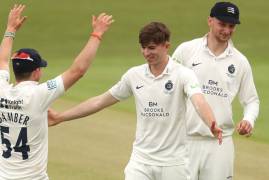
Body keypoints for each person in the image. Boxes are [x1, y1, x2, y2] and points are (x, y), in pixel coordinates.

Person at [48, 21, 222, 180]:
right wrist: (60, 117)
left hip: (174, 163)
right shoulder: (134, 75)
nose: (147, 53)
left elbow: (199, 101)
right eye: (144, 48)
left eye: (152, 48)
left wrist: (211, 122)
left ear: (166, 46)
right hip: (141, 162)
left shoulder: (183, 74)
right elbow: (99, 102)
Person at [0, 4, 113, 179]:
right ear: (37, 72)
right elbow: (78, 71)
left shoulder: (2, 89)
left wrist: (10, 29)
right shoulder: (39, 94)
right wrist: (96, 34)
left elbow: (2, 60)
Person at [172, 2, 260, 180]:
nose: (227, 30)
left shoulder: (240, 61)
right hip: (184, 141)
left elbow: (251, 100)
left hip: (220, 144)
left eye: (231, 26)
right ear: (210, 21)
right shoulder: (186, 50)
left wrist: (248, 120)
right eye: (222, 24)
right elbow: (168, 87)